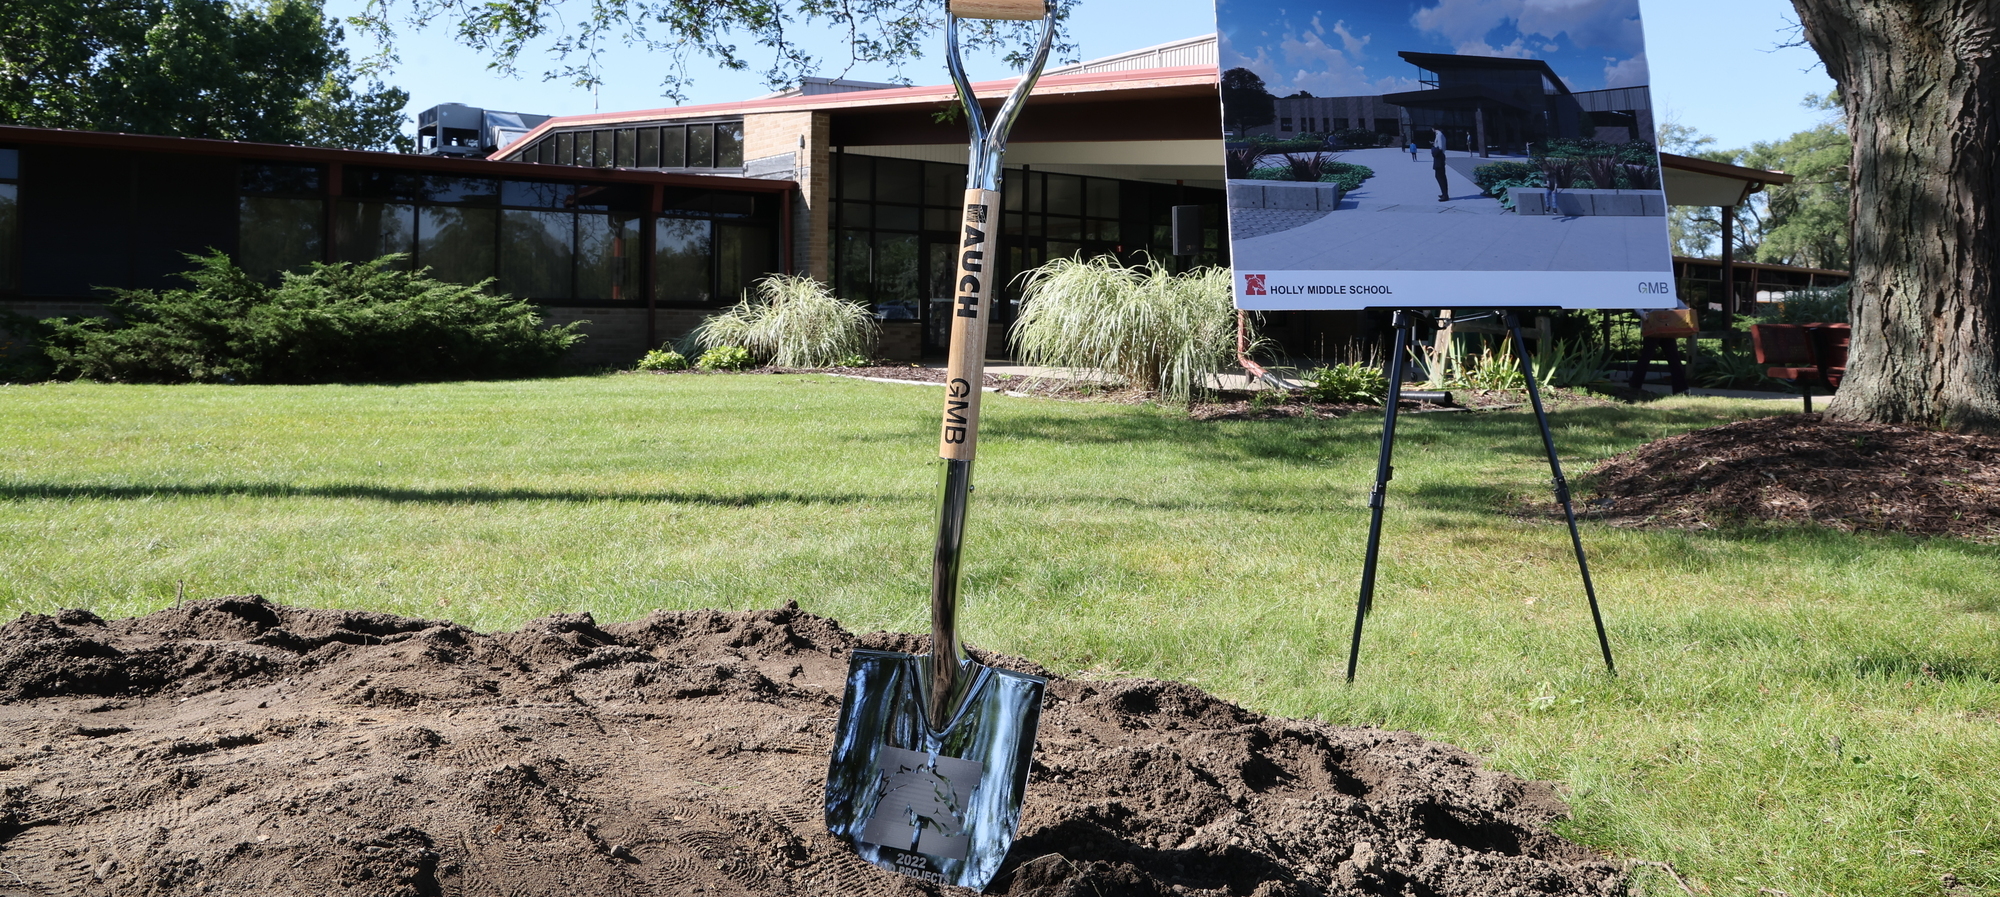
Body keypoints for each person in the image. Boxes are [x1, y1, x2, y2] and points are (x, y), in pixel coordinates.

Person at [1431, 129, 1450, 202]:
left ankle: (1445, 195)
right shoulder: (1440, 135)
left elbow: (1441, 147)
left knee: (1440, 176)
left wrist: (1433, 149)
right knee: (1440, 176)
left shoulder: (1439, 135)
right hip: (1440, 157)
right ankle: (1444, 193)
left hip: (1439, 157)